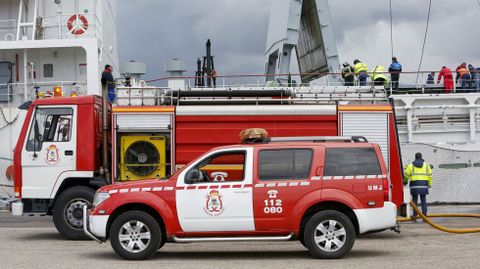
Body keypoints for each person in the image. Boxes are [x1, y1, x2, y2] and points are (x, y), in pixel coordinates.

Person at [404, 152, 433, 219]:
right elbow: (430, 175)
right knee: (423, 200)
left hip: (414, 185)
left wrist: (405, 182)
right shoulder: (426, 165)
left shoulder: (411, 165)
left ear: (415, 157)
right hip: (424, 185)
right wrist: (430, 184)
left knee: (414, 201)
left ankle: (415, 215)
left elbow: (406, 175)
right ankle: (424, 215)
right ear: (421, 157)